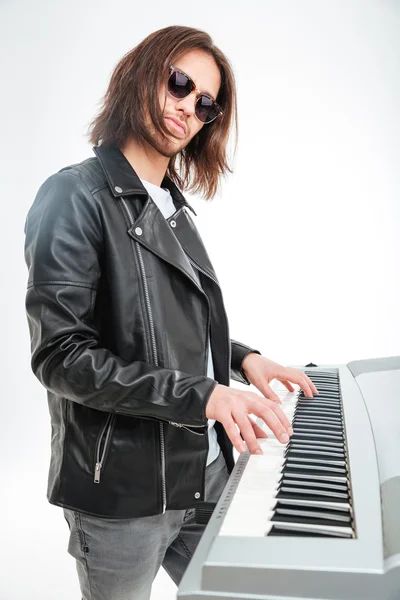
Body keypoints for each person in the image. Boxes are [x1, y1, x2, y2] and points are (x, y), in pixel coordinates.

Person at [24, 25, 318, 600]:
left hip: (204, 472)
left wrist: (242, 359)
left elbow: (162, 327)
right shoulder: (73, 197)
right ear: (142, 74)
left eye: (205, 103)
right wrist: (204, 396)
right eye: (178, 83)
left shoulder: (174, 209)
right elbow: (62, 357)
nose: (187, 106)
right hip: (124, 497)